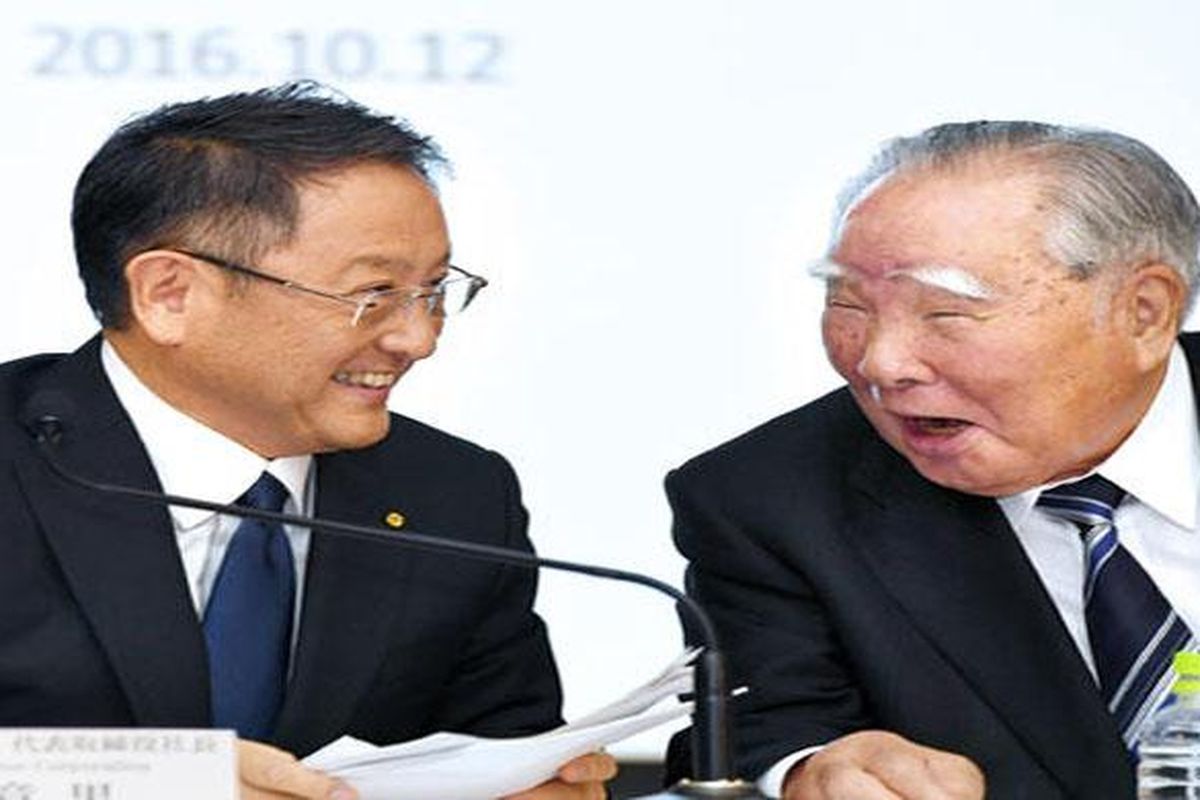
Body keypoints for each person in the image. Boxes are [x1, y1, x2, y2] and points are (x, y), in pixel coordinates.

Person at [0, 83, 614, 800]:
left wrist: (539, 783)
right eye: (372, 295)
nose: (417, 339)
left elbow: (502, 738)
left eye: (434, 291)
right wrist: (157, 781)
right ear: (170, 293)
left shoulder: (455, 495)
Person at [664, 121, 1200, 799]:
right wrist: (809, 771)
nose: (881, 364)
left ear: (1144, 312)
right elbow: (756, 730)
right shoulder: (769, 500)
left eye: (945, 313)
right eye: (847, 305)